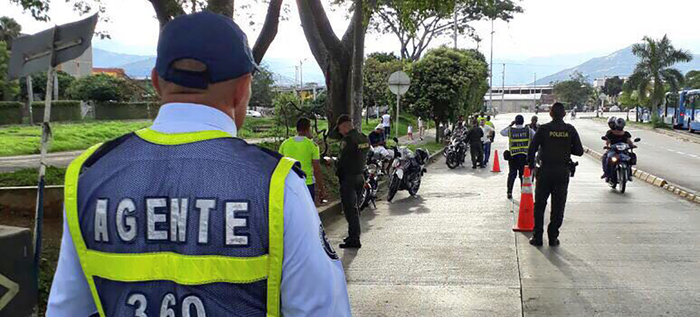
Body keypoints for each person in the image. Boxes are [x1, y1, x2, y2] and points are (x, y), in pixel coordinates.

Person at [46, 12, 351, 317]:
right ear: (243, 88)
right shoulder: (276, 186)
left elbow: (66, 309)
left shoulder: (89, 177)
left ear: (155, 82)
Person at [527, 102, 584, 247]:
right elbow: (579, 151)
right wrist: (565, 147)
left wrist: (531, 166)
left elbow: (532, 148)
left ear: (550, 114)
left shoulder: (544, 129)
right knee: (558, 206)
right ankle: (553, 237)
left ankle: (537, 237)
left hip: (545, 172)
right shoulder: (570, 130)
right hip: (562, 172)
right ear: (564, 114)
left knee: (539, 205)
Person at [335, 114, 370, 249]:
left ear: (344, 126)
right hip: (360, 177)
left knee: (350, 210)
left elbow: (341, 161)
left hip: (348, 178)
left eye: (339, 129)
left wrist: (335, 167)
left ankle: (354, 239)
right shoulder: (364, 138)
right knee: (355, 208)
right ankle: (353, 235)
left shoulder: (348, 140)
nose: (339, 132)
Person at [279, 117, 326, 203]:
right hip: (307, 184)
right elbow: (317, 169)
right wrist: (321, 188)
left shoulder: (285, 144)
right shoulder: (312, 145)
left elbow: (280, 165)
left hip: (289, 183)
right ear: (308, 129)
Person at [501, 115, 536, 199]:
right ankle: (523, 191)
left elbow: (502, 132)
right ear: (523, 122)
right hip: (524, 157)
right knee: (523, 176)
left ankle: (509, 192)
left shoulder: (511, 130)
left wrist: (510, 124)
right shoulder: (528, 130)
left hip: (513, 157)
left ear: (515, 122)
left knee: (512, 175)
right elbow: (535, 136)